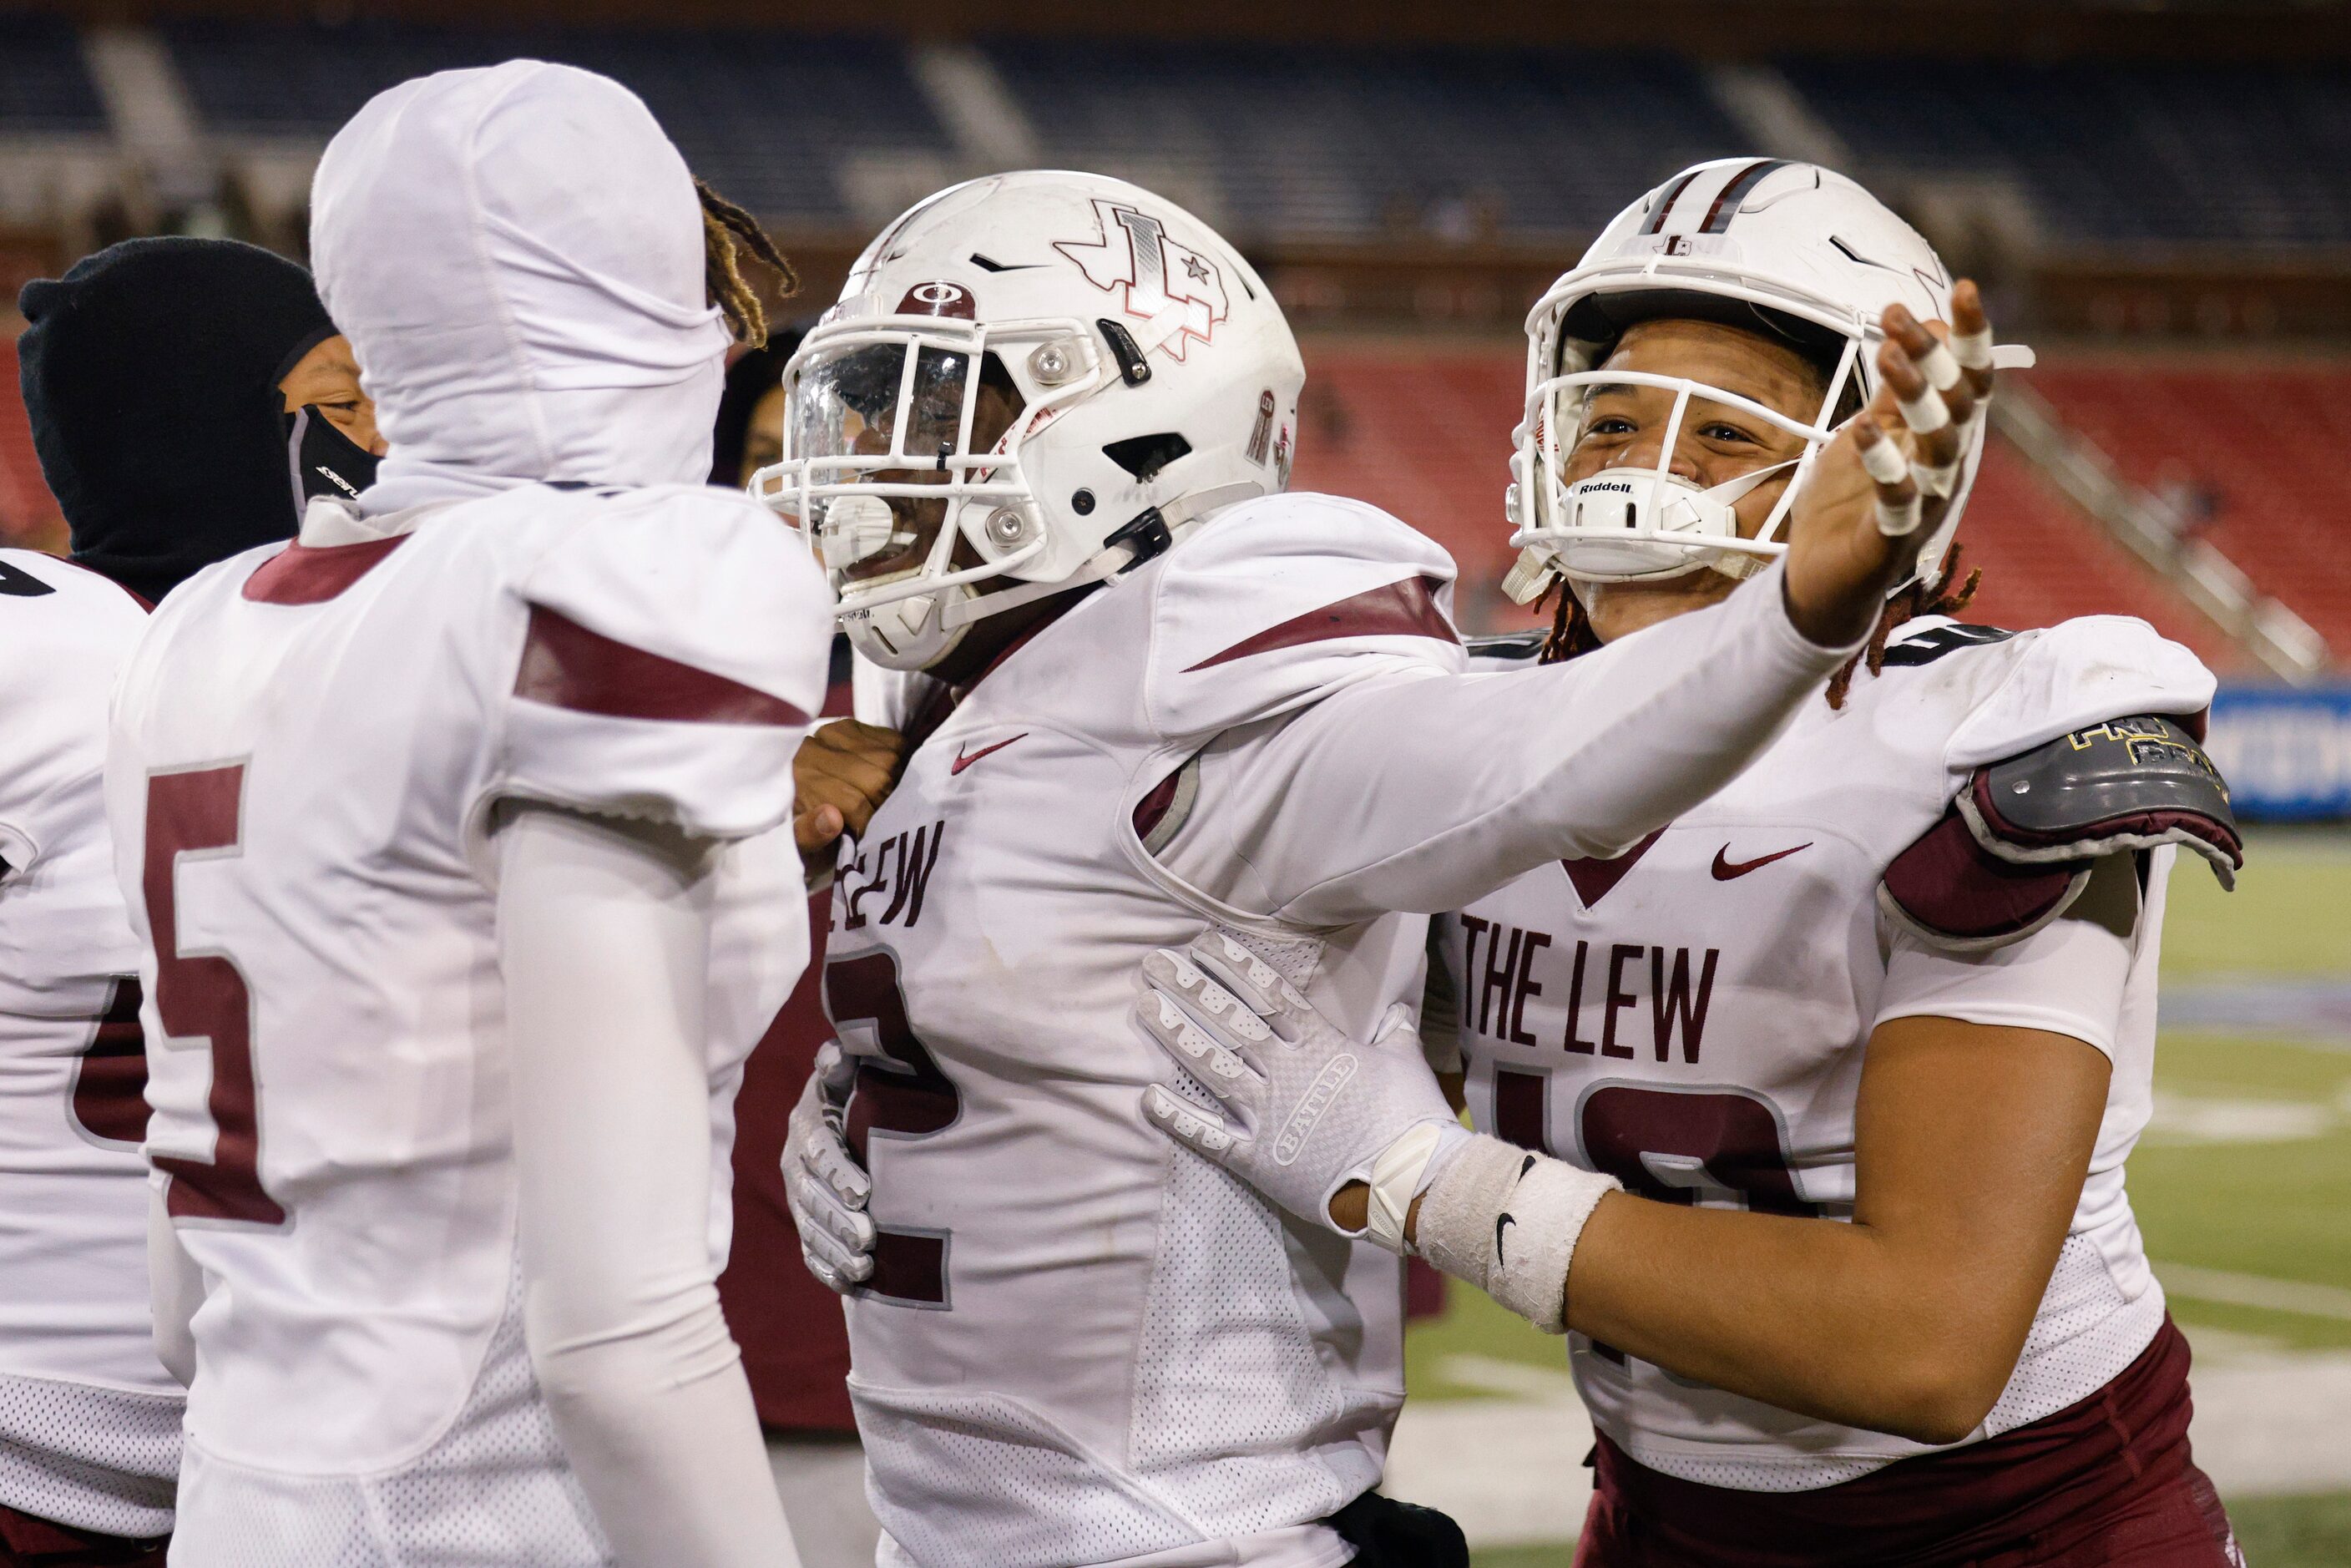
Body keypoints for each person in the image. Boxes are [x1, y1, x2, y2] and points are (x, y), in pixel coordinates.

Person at [771, 167, 1954, 1568]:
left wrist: (1798, 613)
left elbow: (1558, 757)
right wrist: (900, 1093)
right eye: (865, 399)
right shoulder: (956, 708)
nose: (871, 452)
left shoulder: (1212, 682)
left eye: (940, 406)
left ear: (1131, 434)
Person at [1126, 163, 2247, 1568]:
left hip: (2012, 1526)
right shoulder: (1459, 735)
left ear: (1887, 468)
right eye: (1611, 417)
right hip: (1658, 1516)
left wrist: (1423, 1178)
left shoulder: (1984, 736)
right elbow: (1188, 990)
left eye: (1725, 431)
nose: (1648, 467)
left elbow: (1928, 1343)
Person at [105, 63, 829, 1566]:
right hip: (487, 1511)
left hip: (246, 1490)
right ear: (636, 295)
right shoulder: (582, 590)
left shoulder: (204, 626)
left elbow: (184, 1303)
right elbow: (619, 1339)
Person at [0, 235, 379, 1568]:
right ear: (204, 419)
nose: (380, 438)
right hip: (33, 1445)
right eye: (340, 399)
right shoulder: (41, 640)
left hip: (262, 1469)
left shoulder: (364, 668)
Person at [710, 331, 895, 1568]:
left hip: (918, 1354)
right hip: (709, 1340)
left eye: (834, 463)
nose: (799, 502)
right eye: (769, 461)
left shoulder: (975, 704)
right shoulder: (637, 715)